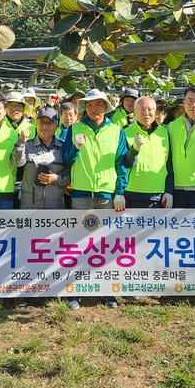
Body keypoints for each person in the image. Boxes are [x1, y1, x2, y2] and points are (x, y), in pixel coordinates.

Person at [62, 88, 128, 308]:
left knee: (106, 243)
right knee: (78, 242)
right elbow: (66, 158)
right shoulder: (74, 129)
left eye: (97, 104)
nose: (93, 108)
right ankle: (76, 290)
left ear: (106, 107)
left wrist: (120, 191)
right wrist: (76, 148)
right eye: (89, 105)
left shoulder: (117, 131)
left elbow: (121, 163)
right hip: (81, 193)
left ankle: (107, 289)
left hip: (106, 194)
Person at [13, 107, 70, 209]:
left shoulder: (63, 147)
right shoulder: (27, 145)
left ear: (56, 126)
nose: (45, 126)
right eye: (41, 122)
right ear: (36, 124)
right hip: (29, 205)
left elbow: (71, 175)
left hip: (55, 206)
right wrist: (21, 142)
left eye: (49, 123)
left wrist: (57, 178)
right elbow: (17, 163)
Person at [122, 96, 172, 209]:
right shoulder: (125, 133)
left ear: (155, 111)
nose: (147, 113)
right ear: (134, 112)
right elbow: (122, 164)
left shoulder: (164, 133)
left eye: (150, 109)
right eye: (142, 109)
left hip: (159, 194)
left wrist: (169, 191)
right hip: (133, 193)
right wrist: (134, 149)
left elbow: (169, 164)